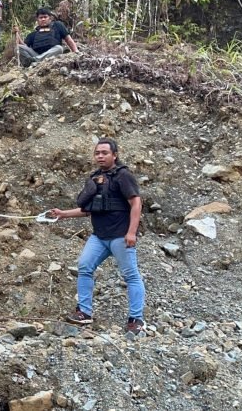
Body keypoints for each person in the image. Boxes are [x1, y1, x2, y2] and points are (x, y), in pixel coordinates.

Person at [49, 138, 146, 335]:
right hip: (99, 236)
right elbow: (88, 209)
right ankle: (84, 312)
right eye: (97, 153)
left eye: (104, 153)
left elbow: (136, 203)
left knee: (130, 275)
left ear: (114, 155)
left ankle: (136, 319)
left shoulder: (123, 176)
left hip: (120, 235)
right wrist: (63, 214)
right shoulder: (95, 179)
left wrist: (131, 232)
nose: (100, 156)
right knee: (85, 267)